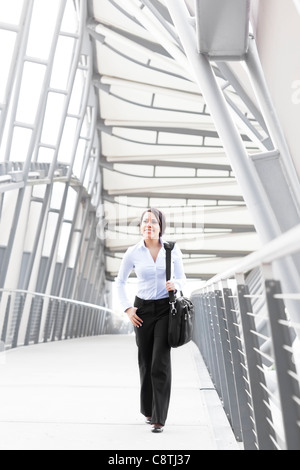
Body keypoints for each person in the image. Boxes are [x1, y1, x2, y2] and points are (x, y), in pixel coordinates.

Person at [116, 208, 186, 433]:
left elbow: (182, 277)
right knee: (145, 361)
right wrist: (127, 308)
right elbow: (120, 282)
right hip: (142, 310)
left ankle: (159, 418)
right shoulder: (133, 252)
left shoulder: (172, 250)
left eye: (153, 222)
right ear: (140, 226)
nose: (149, 225)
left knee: (160, 361)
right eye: (145, 221)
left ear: (160, 226)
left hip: (166, 309)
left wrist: (176, 285)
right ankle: (147, 409)